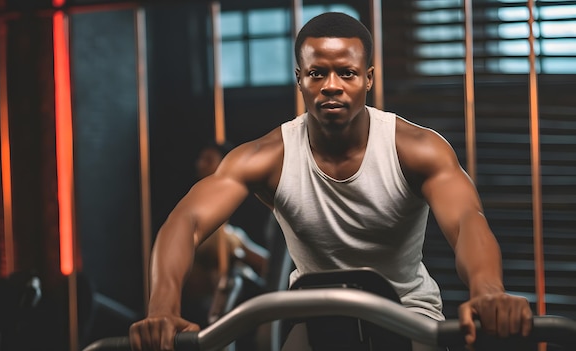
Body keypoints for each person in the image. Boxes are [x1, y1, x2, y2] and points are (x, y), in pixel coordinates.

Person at [130, 12, 533, 351]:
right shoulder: (268, 157)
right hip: (314, 316)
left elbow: (466, 221)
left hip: (409, 314)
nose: (332, 86)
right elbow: (186, 221)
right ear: (300, 78)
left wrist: (488, 290)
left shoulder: (416, 149)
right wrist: (162, 309)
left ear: (369, 78)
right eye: (317, 73)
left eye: (348, 73)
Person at [181, 142, 269, 328]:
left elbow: (267, 264)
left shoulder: (231, 232)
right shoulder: (190, 210)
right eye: (200, 159)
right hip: (193, 309)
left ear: (224, 164)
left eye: (208, 159)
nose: (200, 164)